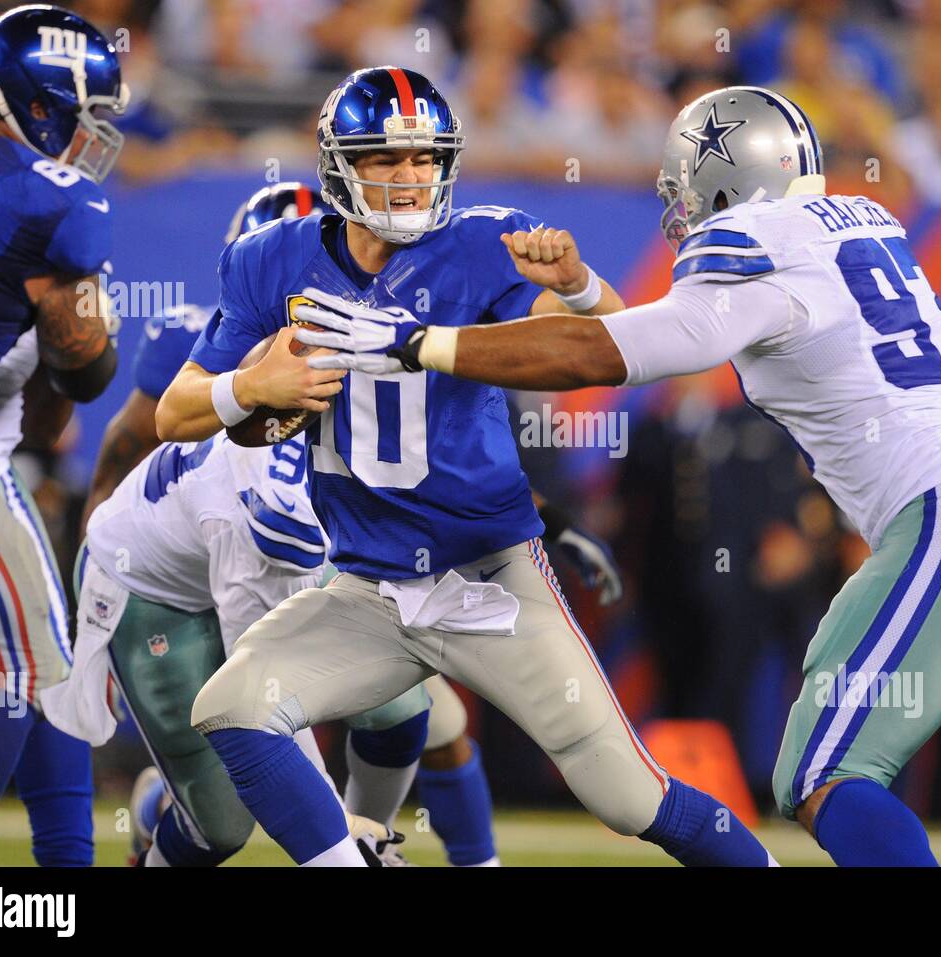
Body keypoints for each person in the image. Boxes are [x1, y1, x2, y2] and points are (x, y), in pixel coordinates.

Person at [302, 85, 941, 867]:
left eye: (685, 189)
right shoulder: (858, 223)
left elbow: (615, 353)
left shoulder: (751, 239)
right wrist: (579, 294)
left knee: (820, 774)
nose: (679, 210)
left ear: (727, 176)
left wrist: (420, 341)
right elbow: (640, 332)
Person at [156, 66, 774, 867]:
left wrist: (580, 288)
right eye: (386, 158)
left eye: (425, 159)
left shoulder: (485, 241)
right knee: (234, 706)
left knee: (631, 797)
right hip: (367, 588)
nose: (411, 178)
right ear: (339, 163)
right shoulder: (270, 261)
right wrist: (251, 386)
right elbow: (177, 411)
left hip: (489, 580)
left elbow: (618, 338)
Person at [0, 5, 125, 867]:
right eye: (77, 116)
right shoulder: (55, 208)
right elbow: (79, 378)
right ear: (34, 107)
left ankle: (64, 876)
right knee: (19, 660)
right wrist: (82, 328)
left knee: (45, 662)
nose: (86, 137)